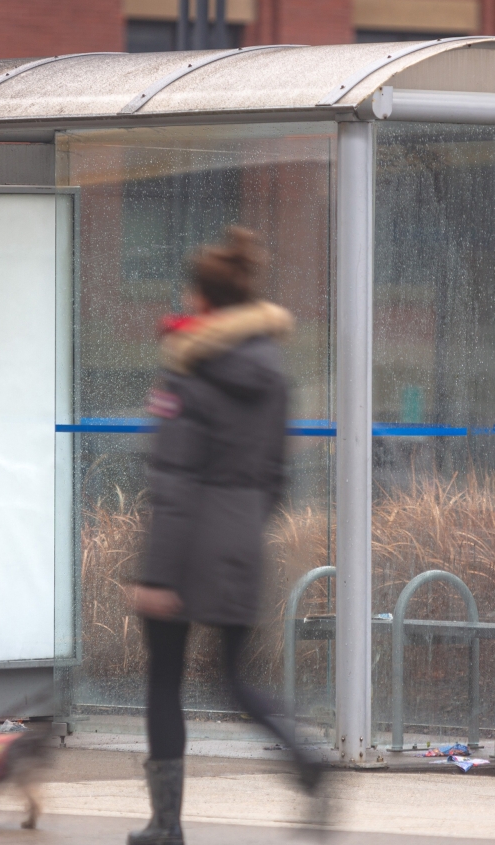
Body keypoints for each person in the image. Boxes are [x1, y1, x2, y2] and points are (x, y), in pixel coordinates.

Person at [127, 226, 322, 845]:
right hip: (241, 541)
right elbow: (276, 477)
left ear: (203, 300)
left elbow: (175, 479)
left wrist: (157, 575)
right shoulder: (274, 375)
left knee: (165, 679)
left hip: (184, 547)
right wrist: (240, 528)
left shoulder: (190, 371)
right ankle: (306, 759)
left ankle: (165, 824)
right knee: (233, 678)